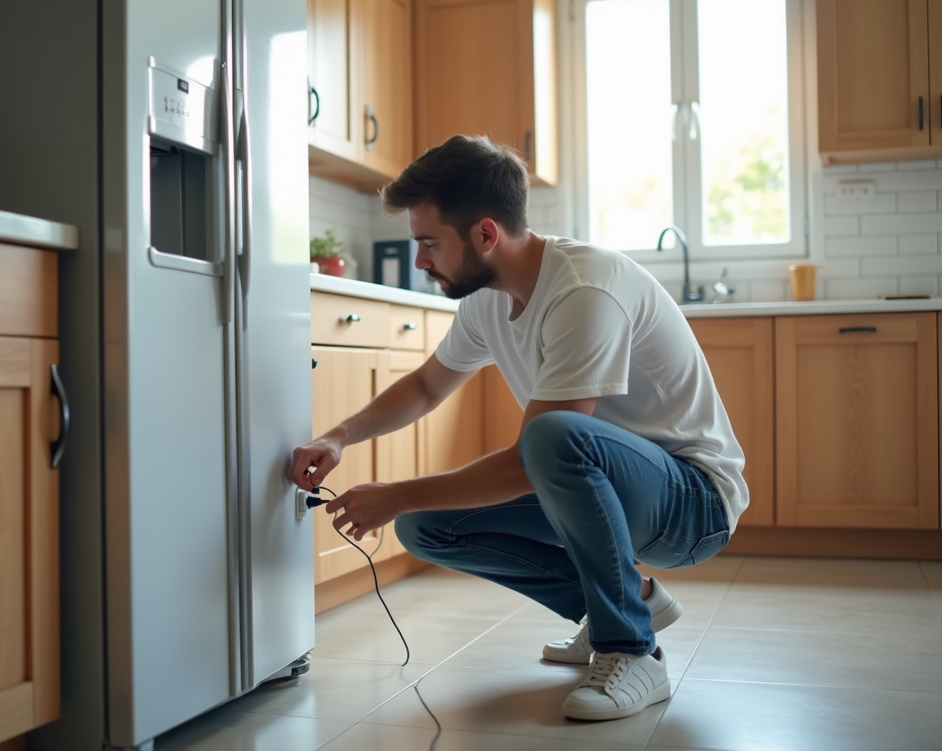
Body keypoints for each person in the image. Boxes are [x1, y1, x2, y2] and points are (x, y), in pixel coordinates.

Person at [289, 135, 747, 722]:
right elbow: (428, 386)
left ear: (485, 235)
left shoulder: (583, 289)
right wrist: (339, 436)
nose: (420, 260)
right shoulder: (487, 296)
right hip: (617, 494)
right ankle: (625, 607)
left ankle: (631, 649)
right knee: (427, 526)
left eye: (429, 243)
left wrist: (396, 492)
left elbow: (536, 459)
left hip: (692, 506)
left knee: (552, 436)